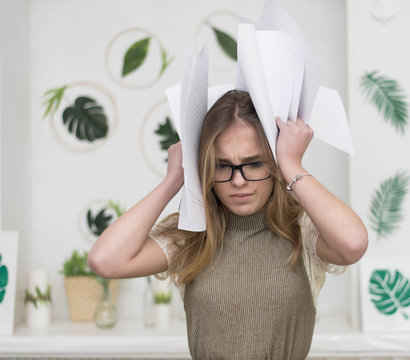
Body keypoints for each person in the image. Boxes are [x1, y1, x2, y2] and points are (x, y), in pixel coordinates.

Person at [88, 90, 368, 359]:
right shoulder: (192, 235)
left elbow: (353, 243)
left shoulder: (302, 229)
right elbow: (105, 261)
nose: (238, 180)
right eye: (222, 166)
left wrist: (292, 164)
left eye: (254, 163)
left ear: (273, 163)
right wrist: (173, 180)